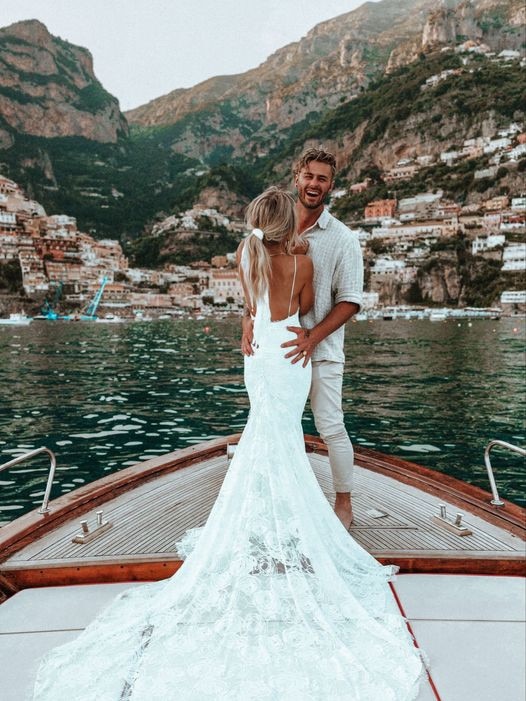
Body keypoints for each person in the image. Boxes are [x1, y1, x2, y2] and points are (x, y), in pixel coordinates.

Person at [33, 188, 423, 700]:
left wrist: (249, 317)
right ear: (289, 224)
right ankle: (298, 528)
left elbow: (247, 305)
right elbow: (305, 310)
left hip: (258, 354)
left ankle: (259, 525)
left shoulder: (245, 255)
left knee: (261, 439)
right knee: (284, 440)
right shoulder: (301, 263)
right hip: (291, 357)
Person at [242, 148, 362, 530]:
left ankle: (343, 501)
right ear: (297, 178)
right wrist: (246, 318)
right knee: (279, 424)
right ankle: (282, 505)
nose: (314, 184)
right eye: (308, 176)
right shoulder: (273, 230)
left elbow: (350, 301)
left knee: (330, 426)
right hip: (280, 354)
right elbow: (252, 291)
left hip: (321, 349)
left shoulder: (343, 239)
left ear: (330, 185)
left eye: (322, 178)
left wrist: (312, 337)